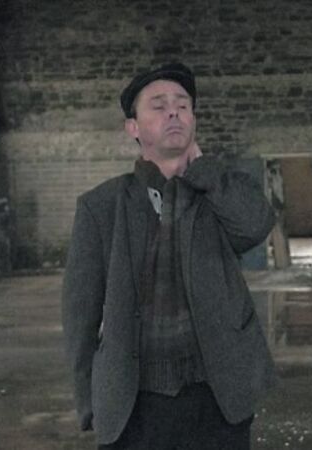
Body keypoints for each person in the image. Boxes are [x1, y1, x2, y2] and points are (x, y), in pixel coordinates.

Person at [61, 62, 277, 449]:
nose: (173, 113)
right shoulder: (101, 206)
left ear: (194, 121)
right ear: (133, 127)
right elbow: (80, 314)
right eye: (159, 106)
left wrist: (205, 172)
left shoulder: (219, 192)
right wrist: (90, 401)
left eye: (183, 105)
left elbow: (256, 226)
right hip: (134, 403)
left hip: (218, 396)